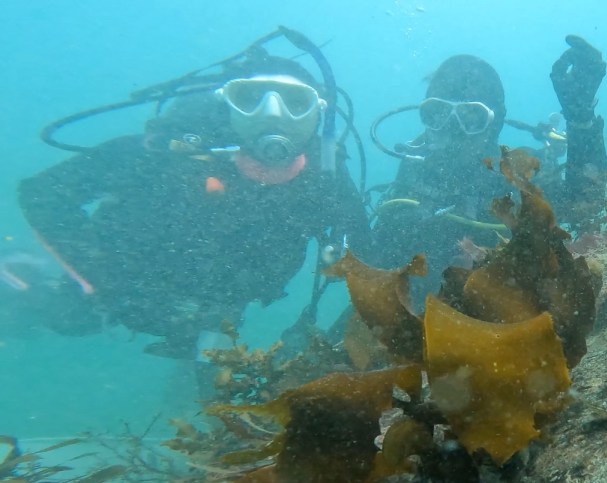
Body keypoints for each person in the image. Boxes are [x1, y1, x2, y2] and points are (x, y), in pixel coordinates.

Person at [16, 38, 370, 360]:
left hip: (210, 319)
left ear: (318, 113)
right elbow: (44, 193)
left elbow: (366, 254)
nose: (273, 113)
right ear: (224, 105)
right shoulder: (160, 156)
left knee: (211, 372)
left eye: (297, 102)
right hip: (106, 296)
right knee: (66, 317)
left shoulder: (325, 180)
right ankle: (22, 274)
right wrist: (103, 277)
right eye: (249, 99)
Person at [370, 35, 607, 297]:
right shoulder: (410, 179)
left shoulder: (517, 174)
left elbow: (585, 203)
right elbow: (370, 265)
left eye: (471, 117)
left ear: (495, 124)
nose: (452, 130)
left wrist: (580, 119)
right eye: (437, 114)